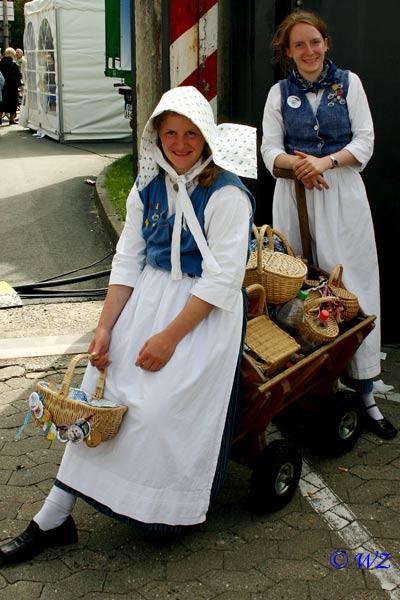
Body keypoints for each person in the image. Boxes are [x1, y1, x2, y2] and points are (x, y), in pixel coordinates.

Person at [0, 86, 257, 564]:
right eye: (170, 133)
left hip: (202, 315)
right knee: (98, 397)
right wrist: (104, 329)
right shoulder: (147, 185)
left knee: (157, 411)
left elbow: (222, 280)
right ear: (155, 136)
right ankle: (53, 518)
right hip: (148, 300)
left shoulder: (228, 195)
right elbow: (128, 259)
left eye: (190, 134)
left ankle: (163, 503)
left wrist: (168, 338)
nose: (180, 143)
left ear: (205, 137)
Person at [260, 10, 397, 440]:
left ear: (326, 43)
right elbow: (267, 150)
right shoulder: (279, 93)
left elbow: (365, 140)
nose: (309, 51)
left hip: (342, 195)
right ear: (287, 52)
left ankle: (365, 389)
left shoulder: (349, 83)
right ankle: (312, 386)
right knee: (302, 288)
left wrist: (324, 161)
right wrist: (297, 166)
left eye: (314, 41)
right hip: (296, 198)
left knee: (351, 284)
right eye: (298, 45)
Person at [0, 47, 22, 125]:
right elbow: (18, 76)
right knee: (13, 103)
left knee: (1, 103)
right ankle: (11, 120)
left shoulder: (0, 64)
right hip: (12, 87)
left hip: (1, 87)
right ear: (12, 55)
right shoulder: (13, 65)